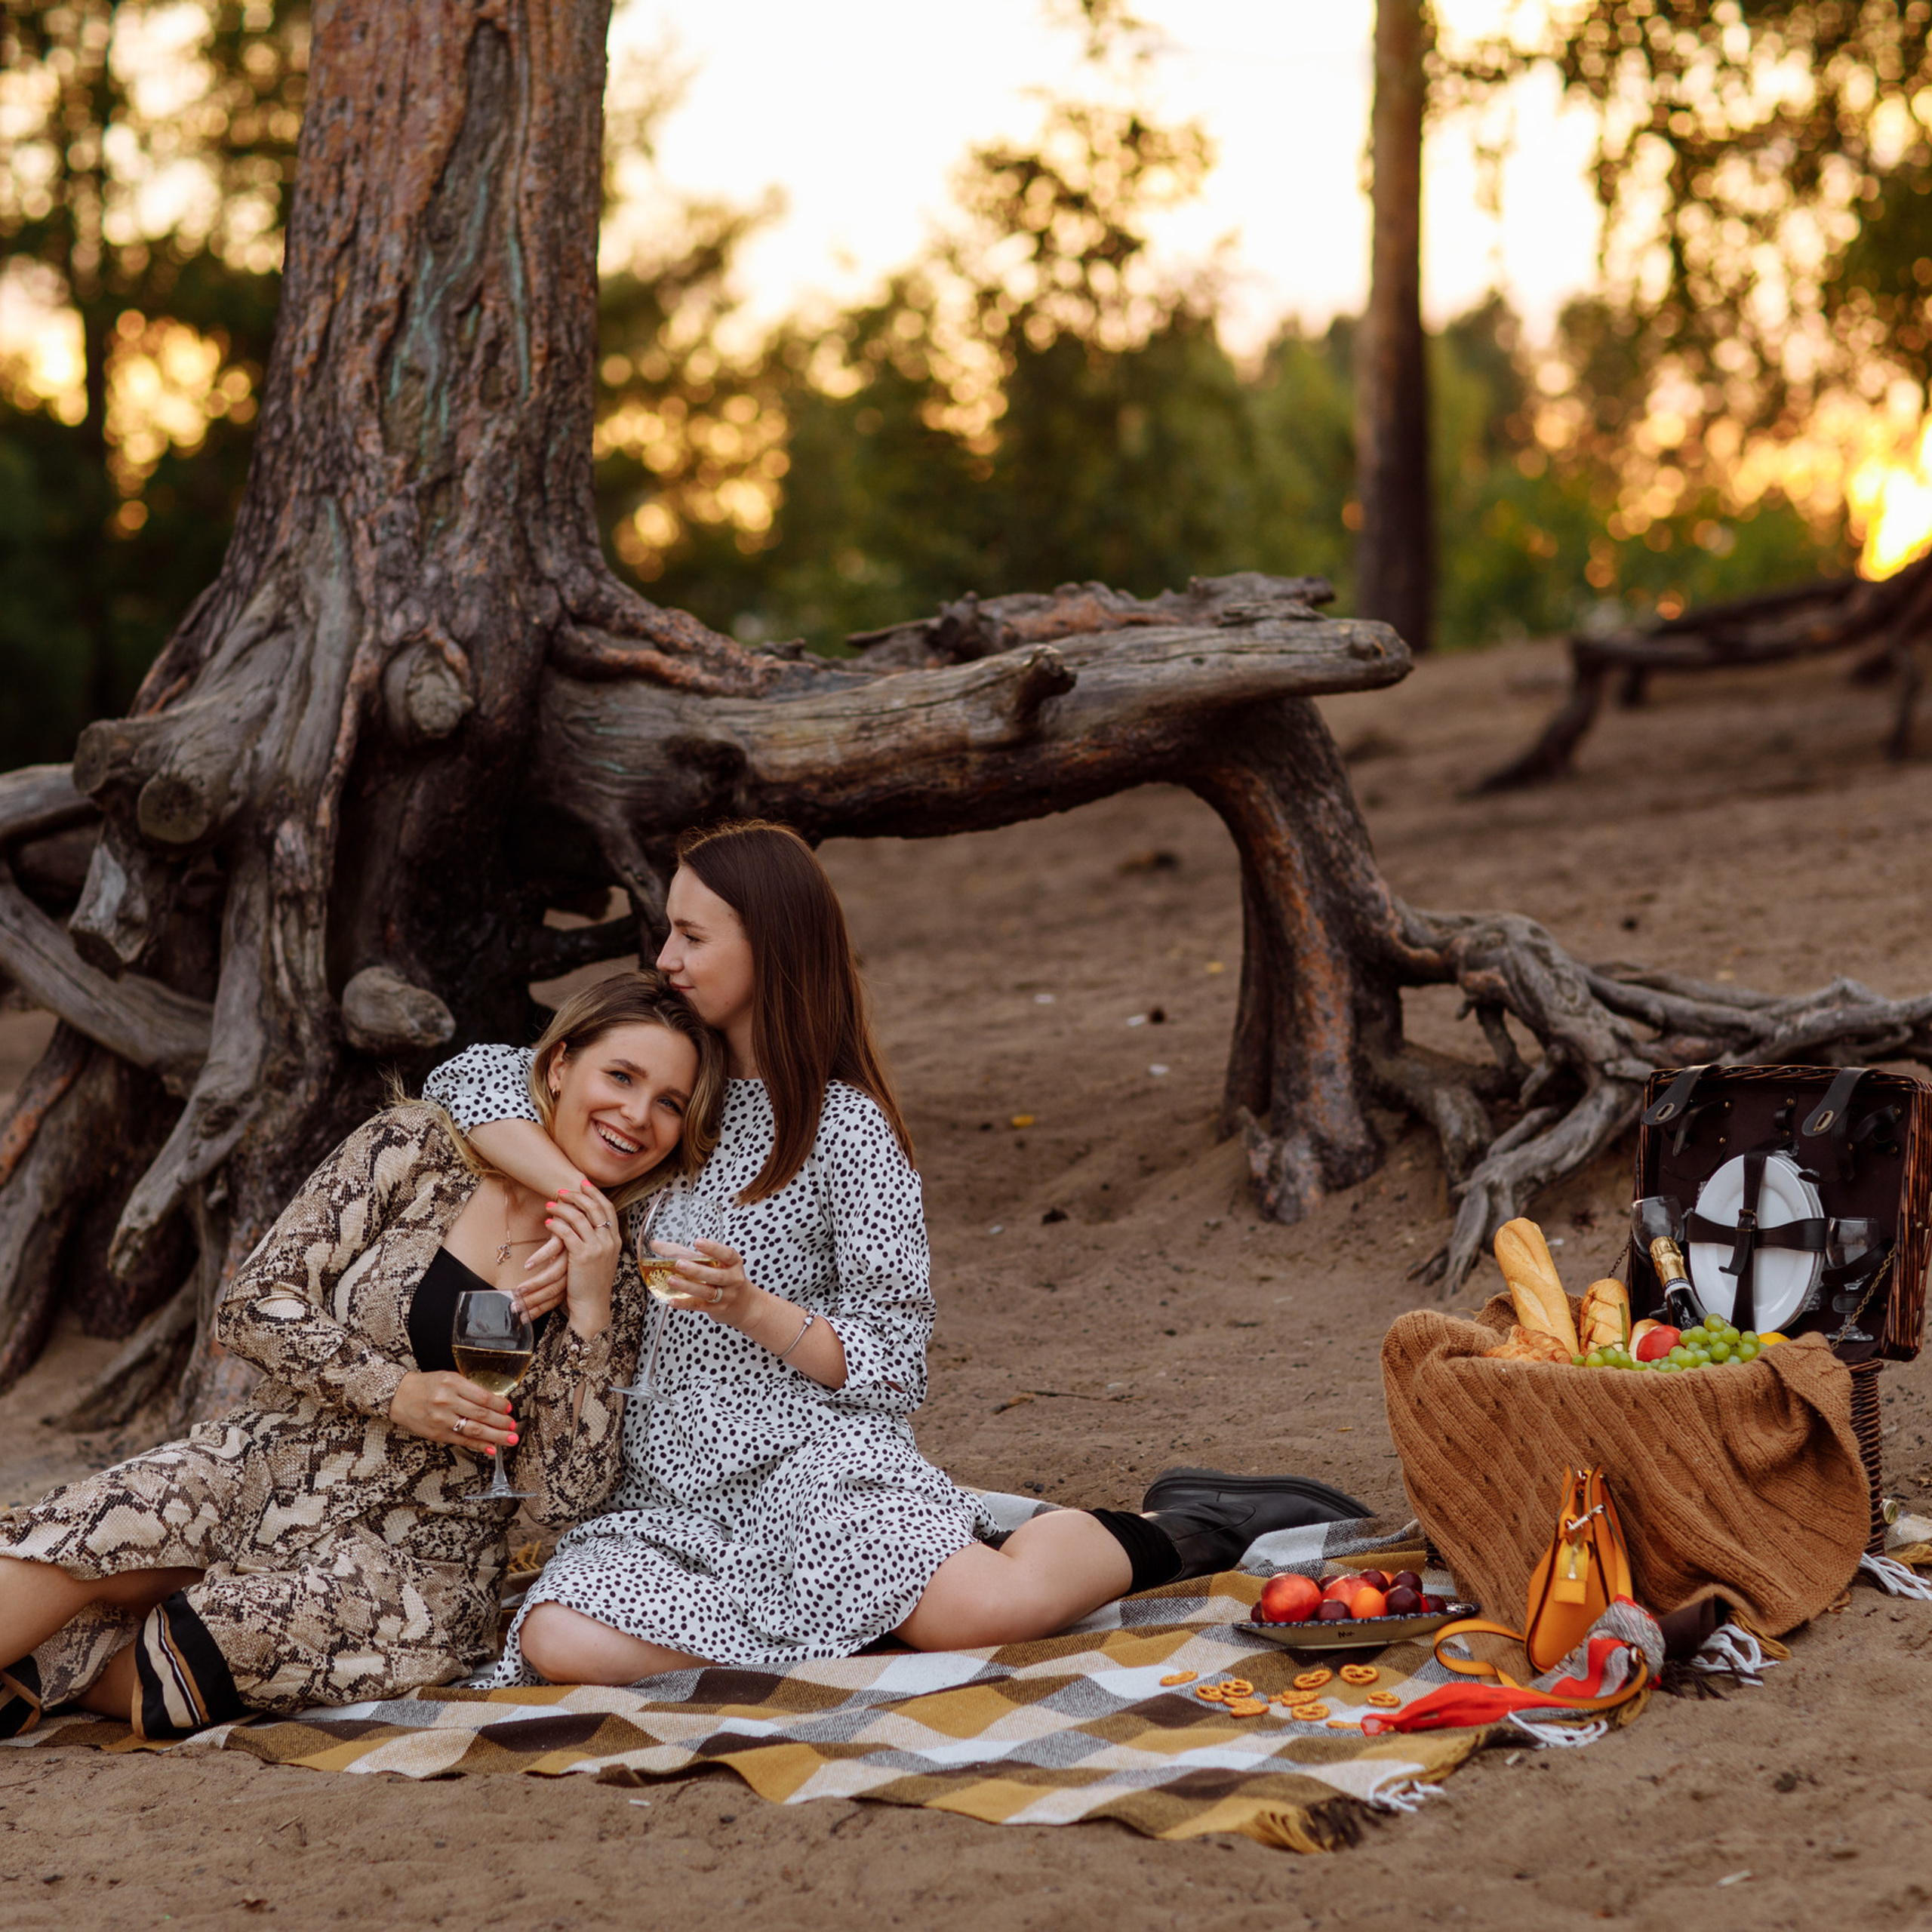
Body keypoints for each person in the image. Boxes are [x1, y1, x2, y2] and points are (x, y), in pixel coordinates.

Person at [424, 820, 1362, 1686]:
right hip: (663, 1496)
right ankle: (884, 1596)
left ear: (771, 943)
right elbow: (466, 1075)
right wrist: (579, 1198)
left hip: (811, 1467)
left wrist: (751, 1307)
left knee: (986, 1614)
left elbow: (892, 1363)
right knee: (558, 1638)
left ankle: (1185, 1525)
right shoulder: (669, 1087)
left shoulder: (844, 1129)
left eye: (691, 936)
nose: (665, 958)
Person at [0, 972, 722, 1739]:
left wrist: (589, 1314)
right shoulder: (414, 1150)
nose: (637, 1115)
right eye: (621, 1076)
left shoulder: (631, 1275)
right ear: (558, 1066)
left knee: (200, 1646)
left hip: (413, 1566)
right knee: (88, 1526)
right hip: (268, 1465)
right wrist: (393, 1391)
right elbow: (253, 1303)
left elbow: (560, 1502)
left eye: (670, 1102)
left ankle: (49, 1671)